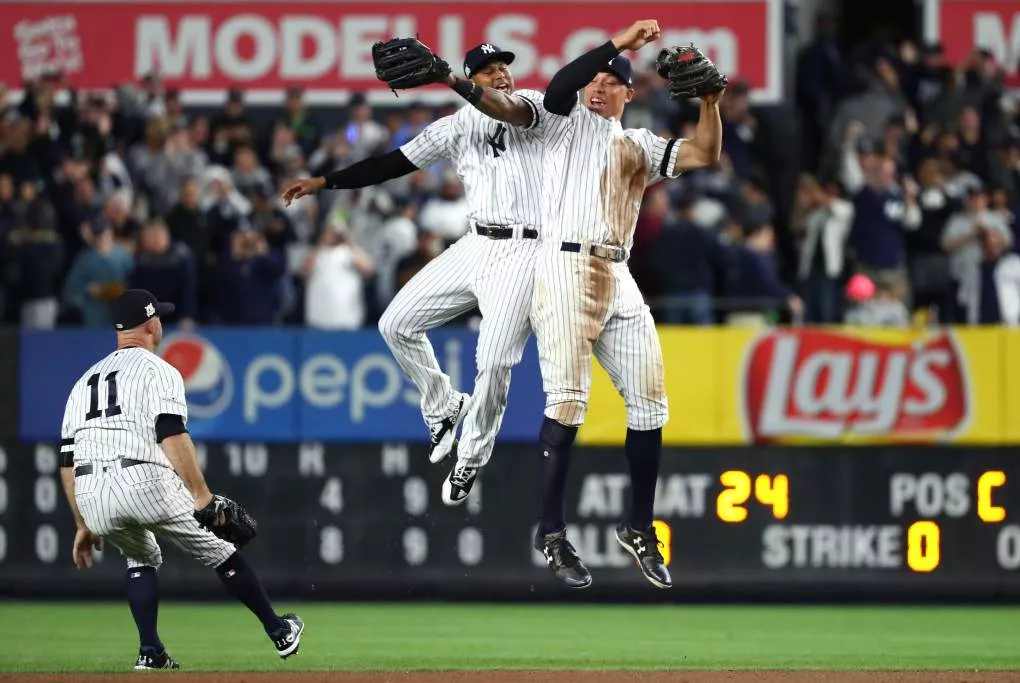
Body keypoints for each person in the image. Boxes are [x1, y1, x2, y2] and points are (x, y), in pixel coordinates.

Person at [282, 42, 549, 506]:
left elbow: (510, 111)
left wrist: (453, 79)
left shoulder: (534, 106)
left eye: (504, 65)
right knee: (396, 323)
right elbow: (390, 165)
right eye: (488, 70)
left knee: (493, 363)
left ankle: (471, 457)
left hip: (526, 249)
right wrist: (325, 182)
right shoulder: (453, 128)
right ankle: (443, 404)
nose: (501, 73)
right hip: (476, 243)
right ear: (472, 77)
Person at [524, 23, 724, 590]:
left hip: (616, 270)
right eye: (597, 78)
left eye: (612, 82)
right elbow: (561, 82)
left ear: (629, 95)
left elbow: (706, 152)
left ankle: (639, 525)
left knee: (652, 406)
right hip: (562, 268)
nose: (599, 86)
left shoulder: (638, 145)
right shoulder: (561, 124)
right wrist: (619, 44)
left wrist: (712, 100)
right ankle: (552, 531)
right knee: (567, 404)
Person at [57, 289, 303, 671]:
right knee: (220, 548)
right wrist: (202, 496)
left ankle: (150, 651)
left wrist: (82, 523)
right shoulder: (160, 370)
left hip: (90, 494)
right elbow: (171, 432)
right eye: (161, 318)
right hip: (142, 477)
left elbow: (67, 461)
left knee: (140, 555)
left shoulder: (81, 382)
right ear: (152, 324)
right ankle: (280, 631)